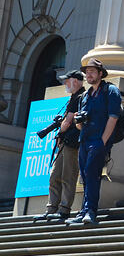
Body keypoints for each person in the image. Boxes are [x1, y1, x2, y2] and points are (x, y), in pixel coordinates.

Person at [66, 59, 122, 225]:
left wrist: (102, 142)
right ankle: (83, 211)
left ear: (100, 73)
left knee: (92, 174)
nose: (88, 74)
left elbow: (113, 118)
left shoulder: (110, 90)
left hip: (98, 141)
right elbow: (78, 125)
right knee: (84, 176)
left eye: (92, 71)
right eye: (87, 71)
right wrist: (78, 120)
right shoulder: (86, 95)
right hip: (84, 140)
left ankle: (91, 211)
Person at [33, 70, 84, 222]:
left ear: (75, 81)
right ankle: (51, 209)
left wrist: (61, 127)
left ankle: (64, 210)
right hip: (65, 142)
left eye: (67, 81)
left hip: (72, 142)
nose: (65, 84)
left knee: (68, 176)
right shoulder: (73, 97)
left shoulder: (80, 96)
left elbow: (67, 123)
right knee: (55, 176)